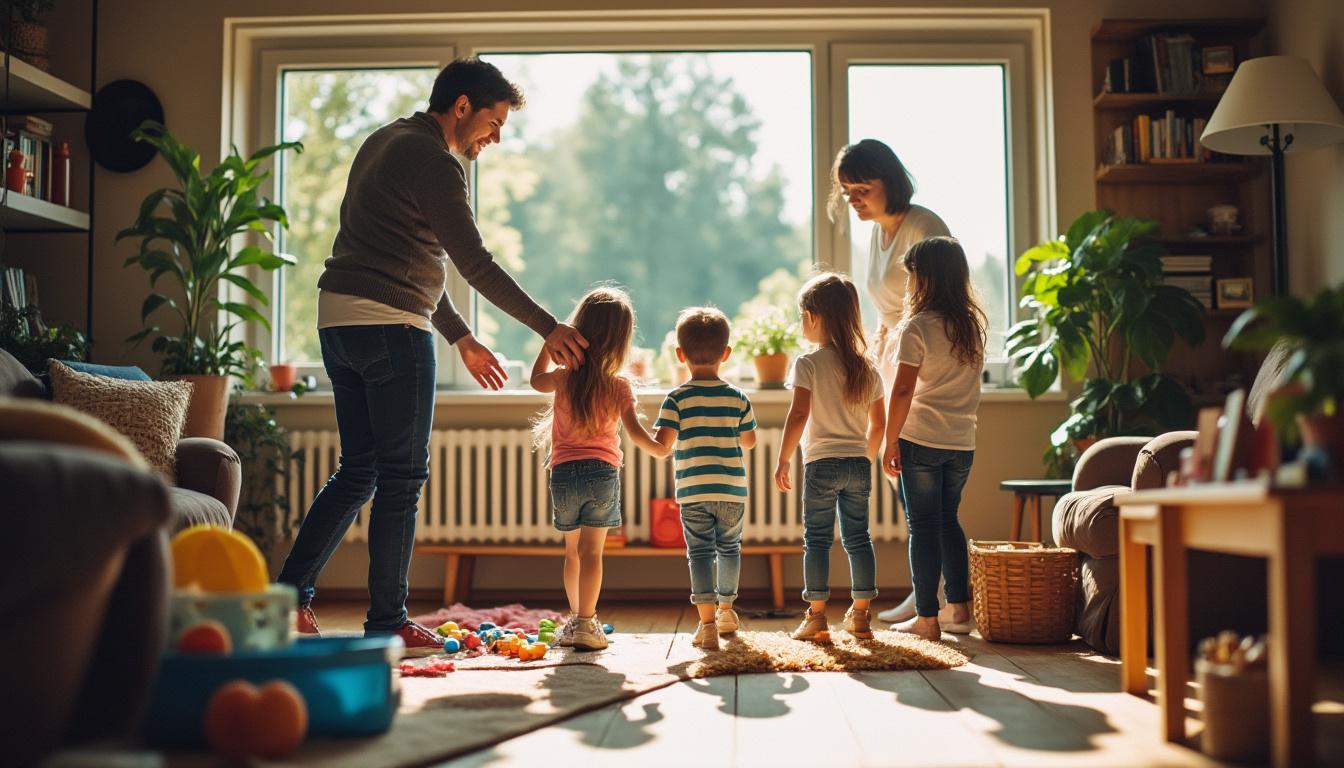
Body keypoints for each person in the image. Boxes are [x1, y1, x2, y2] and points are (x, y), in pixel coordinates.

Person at [277, 57, 588, 656]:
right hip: (392, 331)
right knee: (402, 477)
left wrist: (459, 336)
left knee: (359, 468)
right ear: (463, 105)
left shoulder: (384, 141)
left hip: (339, 323)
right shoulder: (438, 162)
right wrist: (548, 327)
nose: (495, 137)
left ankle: (288, 599)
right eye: (494, 123)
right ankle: (388, 619)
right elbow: (474, 263)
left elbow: (407, 255)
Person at [829, 138, 951, 624]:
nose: (854, 199)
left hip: (923, 369)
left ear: (891, 183)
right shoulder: (877, 234)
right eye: (847, 191)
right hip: (895, 360)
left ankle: (937, 598)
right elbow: (887, 309)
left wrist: (898, 360)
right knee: (909, 488)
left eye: (862, 188)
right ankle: (929, 594)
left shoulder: (924, 227)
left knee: (923, 489)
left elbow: (936, 309)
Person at [530, 287, 663, 652]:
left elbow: (534, 378)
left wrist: (550, 338)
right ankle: (588, 623)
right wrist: (661, 449)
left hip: (563, 474)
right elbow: (636, 433)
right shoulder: (619, 386)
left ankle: (576, 620)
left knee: (572, 553)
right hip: (602, 475)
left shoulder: (562, 377)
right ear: (622, 340)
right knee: (593, 554)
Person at [881, 237, 986, 641]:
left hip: (921, 440)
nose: (907, 286)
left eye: (910, 277)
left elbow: (903, 390)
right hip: (961, 442)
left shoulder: (917, 327)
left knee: (922, 526)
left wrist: (892, 440)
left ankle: (926, 619)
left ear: (924, 279)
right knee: (948, 521)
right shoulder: (970, 327)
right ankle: (958, 607)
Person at [774, 273, 886, 641]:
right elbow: (879, 424)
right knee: (859, 539)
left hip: (821, 464)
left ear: (812, 316)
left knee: (818, 541)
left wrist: (784, 458)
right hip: (857, 464)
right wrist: (864, 458)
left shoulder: (808, 364)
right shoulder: (866, 367)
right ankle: (861, 616)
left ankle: (817, 617)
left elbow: (799, 415)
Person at [650, 307, 758, 651]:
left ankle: (707, 623)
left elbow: (663, 445)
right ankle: (726, 610)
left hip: (693, 491)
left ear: (680, 355)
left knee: (698, 553)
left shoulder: (676, 399)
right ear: (726, 354)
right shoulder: (738, 397)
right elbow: (750, 441)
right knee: (729, 549)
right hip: (731, 491)